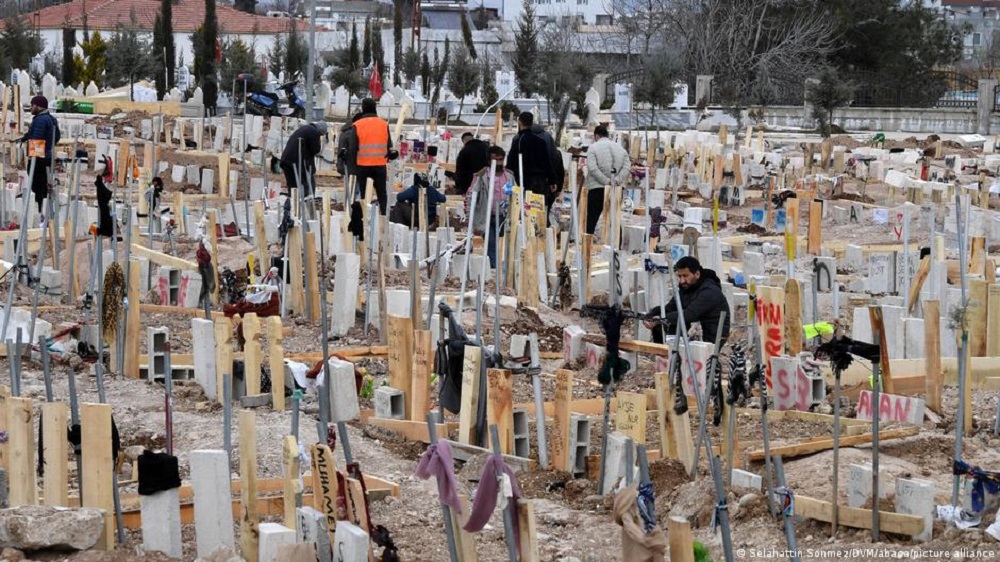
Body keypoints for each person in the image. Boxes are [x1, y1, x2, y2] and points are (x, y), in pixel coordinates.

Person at [643, 256, 731, 345]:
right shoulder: (687, 287)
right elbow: (670, 308)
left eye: (685, 276)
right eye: (680, 276)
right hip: (695, 330)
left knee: (669, 320)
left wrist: (660, 319)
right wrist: (652, 315)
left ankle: (675, 355)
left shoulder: (709, 291)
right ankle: (665, 355)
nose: (682, 281)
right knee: (663, 323)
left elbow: (690, 314)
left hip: (712, 336)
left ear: (697, 274)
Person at [467, 145, 514, 268]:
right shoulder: (482, 177)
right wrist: (469, 217)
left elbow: (514, 194)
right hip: (487, 215)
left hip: (504, 215)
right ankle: (492, 268)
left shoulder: (508, 176)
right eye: (496, 160)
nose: (499, 163)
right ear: (489, 160)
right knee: (491, 243)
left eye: (501, 159)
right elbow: (471, 195)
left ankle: (501, 267)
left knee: (506, 243)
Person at [349, 98, 396, 214]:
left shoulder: (357, 125)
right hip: (380, 165)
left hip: (363, 165)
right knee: (381, 193)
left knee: (364, 194)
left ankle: (364, 216)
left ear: (363, 108)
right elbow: (389, 145)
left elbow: (352, 148)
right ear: (375, 108)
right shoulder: (384, 124)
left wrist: (352, 168)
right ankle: (384, 215)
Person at [583, 125, 630, 235]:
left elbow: (593, 168)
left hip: (597, 188)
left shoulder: (593, 148)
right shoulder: (621, 149)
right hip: (616, 189)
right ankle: (617, 244)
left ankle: (587, 243)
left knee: (591, 218)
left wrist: (606, 182)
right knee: (615, 218)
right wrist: (616, 181)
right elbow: (627, 167)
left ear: (596, 136)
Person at [506, 112, 558, 211]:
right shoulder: (541, 141)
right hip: (540, 182)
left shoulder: (518, 140)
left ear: (519, 122)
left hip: (523, 181)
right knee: (539, 210)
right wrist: (553, 180)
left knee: (525, 211)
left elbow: (511, 163)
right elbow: (547, 163)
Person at [20, 95, 60, 214]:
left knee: (38, 186)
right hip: (48, 156)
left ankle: (39, 212)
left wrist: (33, 157)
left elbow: (36, 140)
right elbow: (56, 137)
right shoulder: (51, 119)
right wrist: (23, 138)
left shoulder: (40, 120)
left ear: (38, 106)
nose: (31, 108)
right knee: (45, 184)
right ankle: (45, 211)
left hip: (39, 158)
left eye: (32, 106)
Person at [280, 121, 328, 198]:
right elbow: (315, 149)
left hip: (287, 160)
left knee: (293, 189)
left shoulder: (305, 128)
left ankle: (290, 207)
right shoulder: (314, 132)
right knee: (306, 188)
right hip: (296, 163)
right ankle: (305, 205)